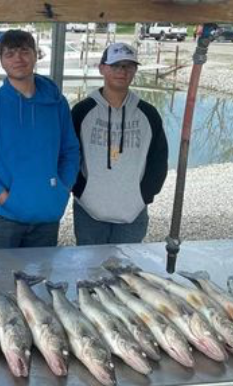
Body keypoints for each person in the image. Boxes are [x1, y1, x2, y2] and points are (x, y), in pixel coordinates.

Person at [0, 28, 80, 249]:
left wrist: (63, 188)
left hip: (47, 215)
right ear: (1, 60)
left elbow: (70, 151)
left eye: (25, 51)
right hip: (3, 219)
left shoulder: (57, 102)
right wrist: (3, 197)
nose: (18, 58)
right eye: (10, 53)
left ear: (36, 55)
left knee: (40, 281)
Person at [71, 42, 169, 246]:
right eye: (115, 65)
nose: (122, 71)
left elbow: (158, 160)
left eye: (128, 66)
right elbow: (69, 156)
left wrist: (144, 195)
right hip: (89, 211)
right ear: (102, 68)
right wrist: (79, 189)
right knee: (89, 270)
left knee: (127, 271)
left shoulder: (148, 114)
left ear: (135, 70)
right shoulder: (81, 111)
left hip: (132, 213)